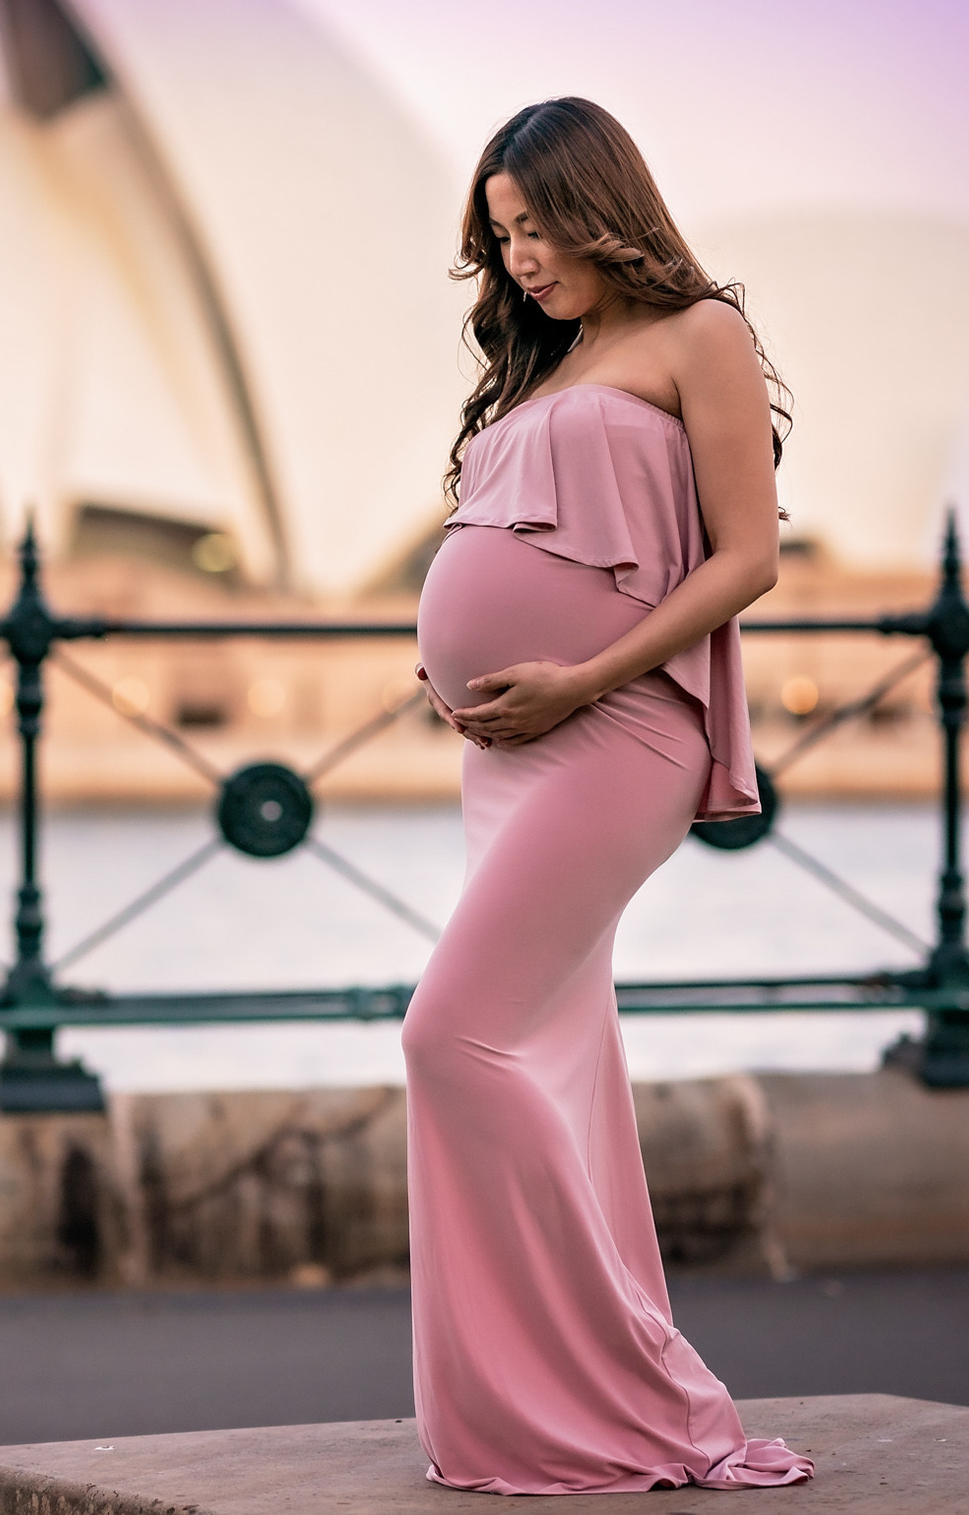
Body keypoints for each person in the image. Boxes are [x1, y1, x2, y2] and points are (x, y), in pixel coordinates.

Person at [405, 97, 812, 1494]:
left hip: (621, 729)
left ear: (602, 205)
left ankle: (636, 1384)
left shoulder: (698, 335)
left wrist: (579, 676)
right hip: (507, 757)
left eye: (537, 225)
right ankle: (531, 1409)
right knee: (558, 1056)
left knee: (450, 1038)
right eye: (500, 235)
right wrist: (444, 666)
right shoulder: (545, 365)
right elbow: (506, 543)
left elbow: (744, 558)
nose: (519, 258)